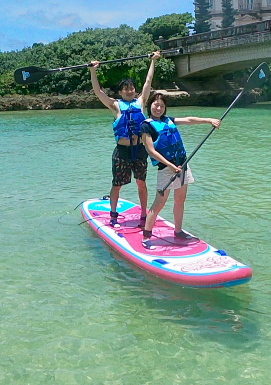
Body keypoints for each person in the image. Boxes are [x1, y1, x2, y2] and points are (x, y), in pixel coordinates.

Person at [138, 91, 220, 246]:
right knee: (159, 203)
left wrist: (209, 120)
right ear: (150, 106)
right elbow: (151, 151)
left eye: (162, 106)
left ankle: (178, 231)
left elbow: (189, 120)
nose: (159, 108)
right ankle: (147, 236)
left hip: (182, 165)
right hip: (166, 168)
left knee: (180, 200)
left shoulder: (169, 120)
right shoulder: (146, 126)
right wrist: (170, 165)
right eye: (156, 105)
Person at [89, 52, 159, 227]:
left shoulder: (141, 102)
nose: (130, 91)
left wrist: (153, 61)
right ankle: (113, 215)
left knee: (141, 183)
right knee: (117, 184)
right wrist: (93, 71)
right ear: (120, 92)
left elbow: (148, 82)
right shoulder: (115, 105)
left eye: (132, 88)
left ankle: (144, 215)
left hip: (140, 150)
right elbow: (98, 92)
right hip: (122, 151)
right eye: (126, 88)